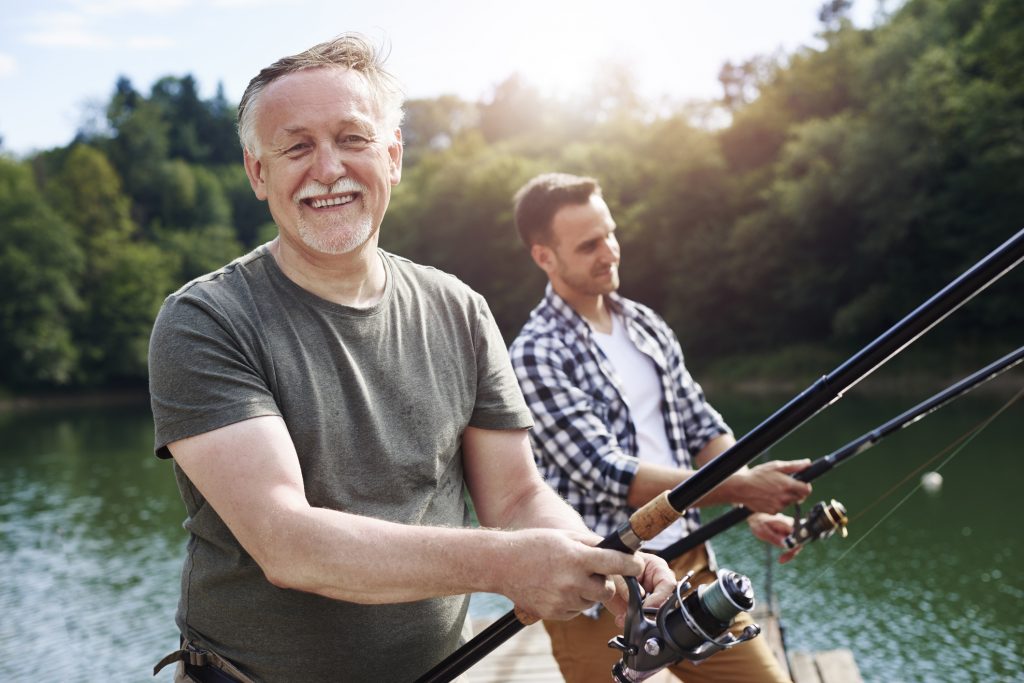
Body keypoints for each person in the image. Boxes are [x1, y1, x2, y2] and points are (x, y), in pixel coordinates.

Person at [148, 37, 675, 683]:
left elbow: (515, 498)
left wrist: (595, 556)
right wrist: (512, 564)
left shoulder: (460, 309)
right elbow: (289, 544)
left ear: (392, 155)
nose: (328, 167)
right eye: (296, 146)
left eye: (352, 138)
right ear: (259, 173)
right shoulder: (204, 320)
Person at [509, 172, 814, 683]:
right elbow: (609, 473)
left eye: (609, 233)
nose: (609, 251)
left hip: (688, 564)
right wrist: (742, 488)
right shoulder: (536, 354)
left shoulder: (646, 326)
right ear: (545, 257)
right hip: (597, 587)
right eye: (588, 245)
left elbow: (700, 426)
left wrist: (748, 502)